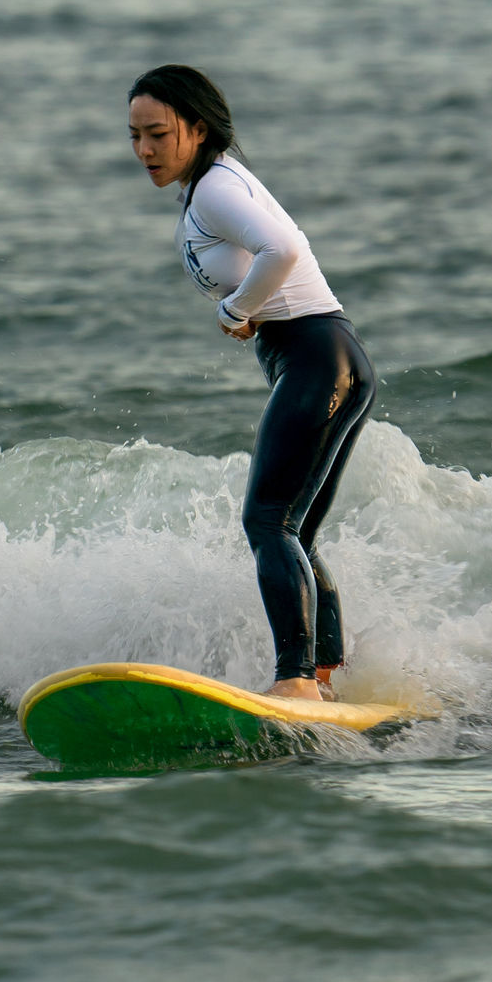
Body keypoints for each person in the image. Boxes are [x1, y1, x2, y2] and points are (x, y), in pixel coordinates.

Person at [128, 65, 375, 701]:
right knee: (294, 530)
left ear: (198, 128)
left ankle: (293, 680)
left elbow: (285, 248)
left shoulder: (213, 187)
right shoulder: (212, 185)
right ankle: (323, 679)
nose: (145, 150)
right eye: (135, 136)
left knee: (268, 523)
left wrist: (235, 310)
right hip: (335, 356)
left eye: (158, 133)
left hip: (315, 356)